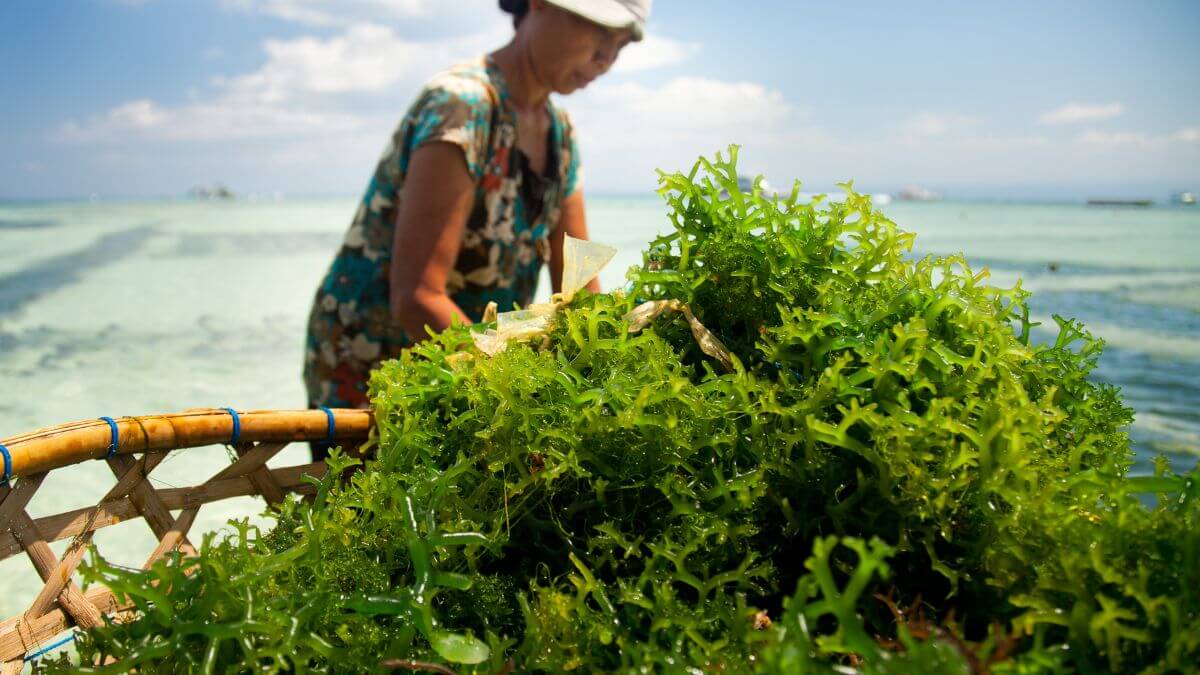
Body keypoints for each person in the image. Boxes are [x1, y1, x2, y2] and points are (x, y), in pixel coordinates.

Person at [304, 0, 651, 460]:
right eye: (597, 31)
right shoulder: (463, 106)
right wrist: (526, 392)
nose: (606, 58)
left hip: (474, 364)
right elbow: (417, 297)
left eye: (620, 44)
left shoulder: (559, 133)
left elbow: (580, 288)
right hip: (376, 358)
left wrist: (611, 377)